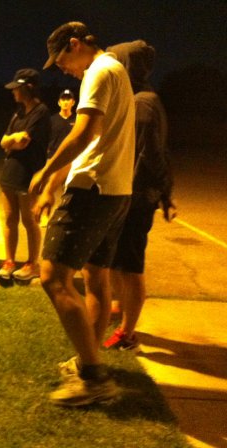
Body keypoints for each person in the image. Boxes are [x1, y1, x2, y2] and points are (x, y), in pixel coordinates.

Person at [29, 22, 135, 406]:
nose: (62, 70)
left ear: (75, 45)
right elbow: (95, 139)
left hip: (92, 189)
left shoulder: (98, 71)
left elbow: (84, 133)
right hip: (116, 190)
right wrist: (55, 182)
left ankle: (93, 378)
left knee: (52, 277)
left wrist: (45, 173)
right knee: (96, 277)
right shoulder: (115, 71)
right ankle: (89, 361)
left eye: (61, 61)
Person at [102, 40, 176, 351]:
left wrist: (161, 193)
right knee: (116, 261)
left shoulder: (143, 103)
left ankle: (128, 333)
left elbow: (153, 156)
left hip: (135, 198)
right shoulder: (135, 98)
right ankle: (119, 309)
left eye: (116, 63)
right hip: (127, 195)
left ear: (127, 67)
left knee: (131, 266)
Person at [0, 68, 50, 283]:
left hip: (28, 173)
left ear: (28, 88)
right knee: (10, 219)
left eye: (17, 88)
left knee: (29, 221)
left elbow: (23, 141)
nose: (13, 92)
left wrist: (13, 140)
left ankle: (32, 264)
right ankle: (9, 262)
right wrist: (12, 140)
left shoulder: (41, 112)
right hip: (10, 172)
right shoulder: (18, 112)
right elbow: (4, 142)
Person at [40, 89, 76, 227]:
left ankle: (66, 218)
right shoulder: (52, 120)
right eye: (63, 99)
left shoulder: (77, 120)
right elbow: (45, 140)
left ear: (73, 102)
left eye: (68, 99)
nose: (66, 102)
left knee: (69, 191)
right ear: (59, 102)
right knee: (48, 188)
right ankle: (45, 215)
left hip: (71, 161)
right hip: (53, 159)